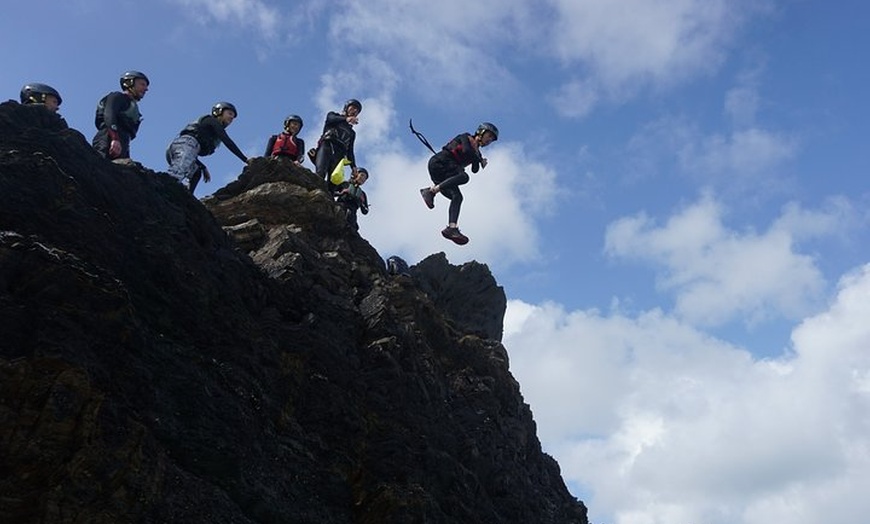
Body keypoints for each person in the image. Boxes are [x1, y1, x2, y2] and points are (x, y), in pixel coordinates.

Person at [419, 122, 498, 245]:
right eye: (489, 136)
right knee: (464, 177)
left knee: (458, 197)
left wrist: (480, 161)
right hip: (439, 163)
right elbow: (466, 150)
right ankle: (431, 191)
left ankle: (451, 228)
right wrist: (478, 159)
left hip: (447, 174)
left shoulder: (477, 153)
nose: (489, 140)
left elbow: (475, 170)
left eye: (492, 140)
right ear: (481, 132)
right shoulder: (465, 137)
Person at [165, 102, 251, 193]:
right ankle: (166, 184)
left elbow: (192, 152)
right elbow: (227, 140)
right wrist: (245, 159)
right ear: (219, 112)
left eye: (233, 117)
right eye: (229, 114)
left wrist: (203, 167)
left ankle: (186, 196)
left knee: (196, 172)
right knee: (178, 171)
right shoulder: (211, 120)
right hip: (185, 144)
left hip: (185, 148)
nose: (231, 118)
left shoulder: (211, 133)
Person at [92, 70, 149, 162]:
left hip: (124, 143)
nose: (146, 89)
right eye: (142, 84)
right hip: (108, 138)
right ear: (129, 82)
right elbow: (109, 114)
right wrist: (114, 138)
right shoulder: (118, 96)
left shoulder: (133, 107)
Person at [313, 98, 361, 194]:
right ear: (346, 108)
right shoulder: (333, 116)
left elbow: (350, 151)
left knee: (334, 181)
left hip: (339, 154)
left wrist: (353, 166)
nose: (354, 111)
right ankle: (314, 193)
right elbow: (330, 119)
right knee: (320, 172)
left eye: (357, 110)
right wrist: (346, 119)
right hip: (327, 146)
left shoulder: (352, 133)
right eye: (353, 108)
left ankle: (328, 200)